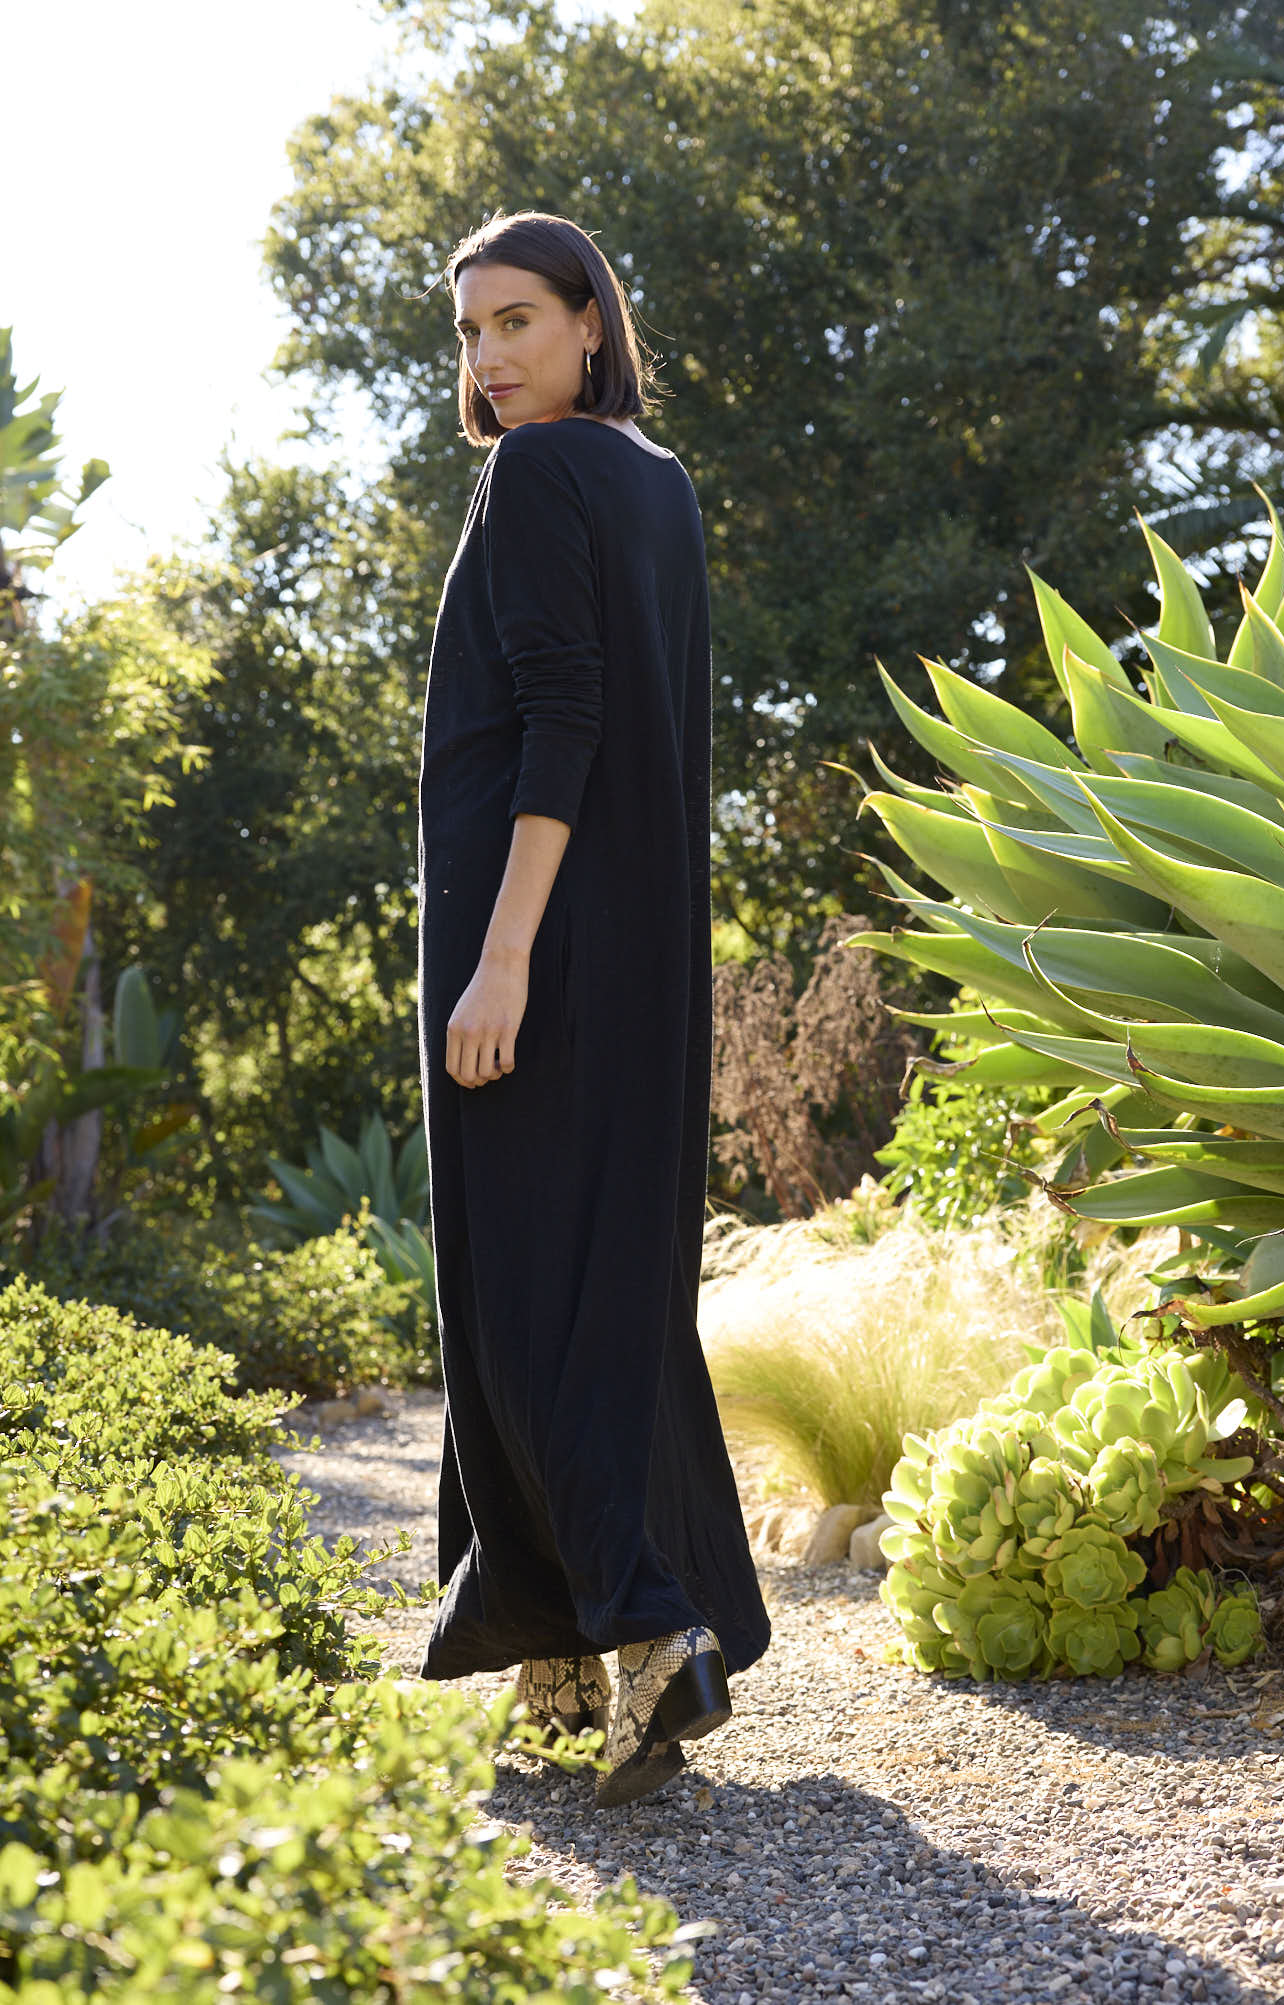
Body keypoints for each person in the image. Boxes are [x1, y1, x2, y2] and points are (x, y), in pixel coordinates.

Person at [415, 210, 771, 1809]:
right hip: (636, 953)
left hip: (533, 942)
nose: (488, 358)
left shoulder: (539, 471)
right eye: (469, 332)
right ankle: (554, 1640)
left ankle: (641, 1624)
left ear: (587, 323)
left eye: (515, 322)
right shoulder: (657, 482)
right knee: (601, 1287)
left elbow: (561, 722)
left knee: (514, 1295)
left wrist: (499, 958)